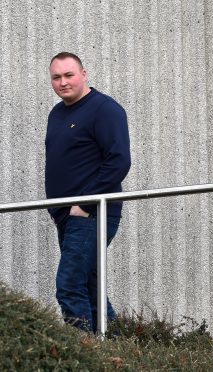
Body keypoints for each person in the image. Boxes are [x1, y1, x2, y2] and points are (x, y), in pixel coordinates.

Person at [45, 52, 131, 332]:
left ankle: (81, 354)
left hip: (91, 212)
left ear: (84, 74)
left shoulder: (104, 109)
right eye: (56, 77)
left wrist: (83, 203)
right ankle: (119, 352)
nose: (63, 82)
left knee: (69, 285)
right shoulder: (57, 113)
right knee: (90, 287)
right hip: (67, 216)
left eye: (69, 75)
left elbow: (119, 160)